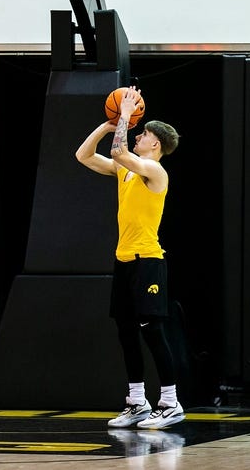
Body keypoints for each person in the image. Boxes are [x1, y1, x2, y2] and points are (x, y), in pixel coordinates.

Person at [75, 86, 184, 430]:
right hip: (124, 261)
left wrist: (123, 115)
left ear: (156, 144)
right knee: (125, 331)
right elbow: (84, 156)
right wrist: (108, 125)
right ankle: (137, 402)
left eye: (145, 133)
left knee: (152, 331)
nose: (139, 135)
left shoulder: (155, 172)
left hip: (148, 260)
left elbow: (120, 152)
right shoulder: (126, 170)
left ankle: (170, 402)